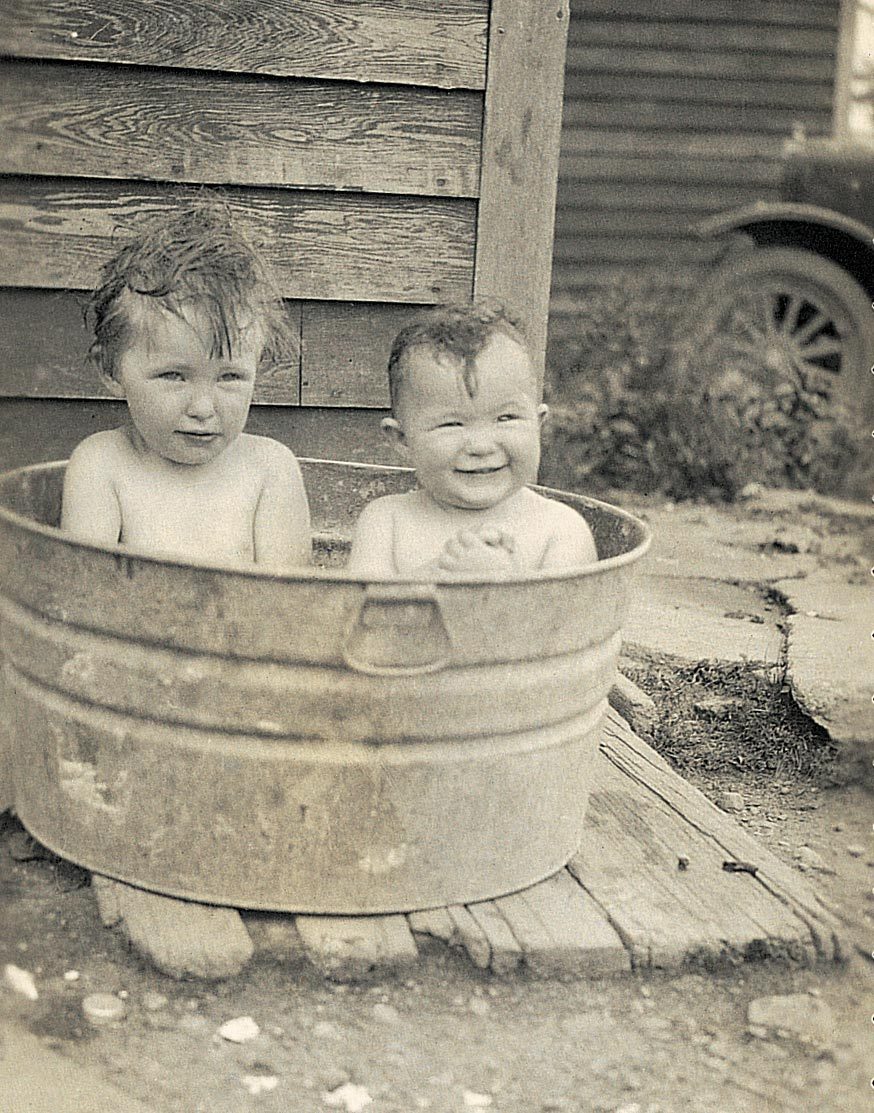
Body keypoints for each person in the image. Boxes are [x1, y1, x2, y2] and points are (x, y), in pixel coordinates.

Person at [61, 202, 311, 570]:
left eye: (229, 377)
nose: (203, 408)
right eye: (173, 376)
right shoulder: (102, 465)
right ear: (111, 370)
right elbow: (83, 589)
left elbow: (290, 604)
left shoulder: (270, 470)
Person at [348, 302, 598, 578]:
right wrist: (438, 575)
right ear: (402, 440)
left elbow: (570, 617)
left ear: (537, 424)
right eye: (452, 424)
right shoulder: (385, 521)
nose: (481, 446)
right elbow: (359, 613)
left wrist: (503, 582)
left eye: (506, 418)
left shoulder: (562, 528)